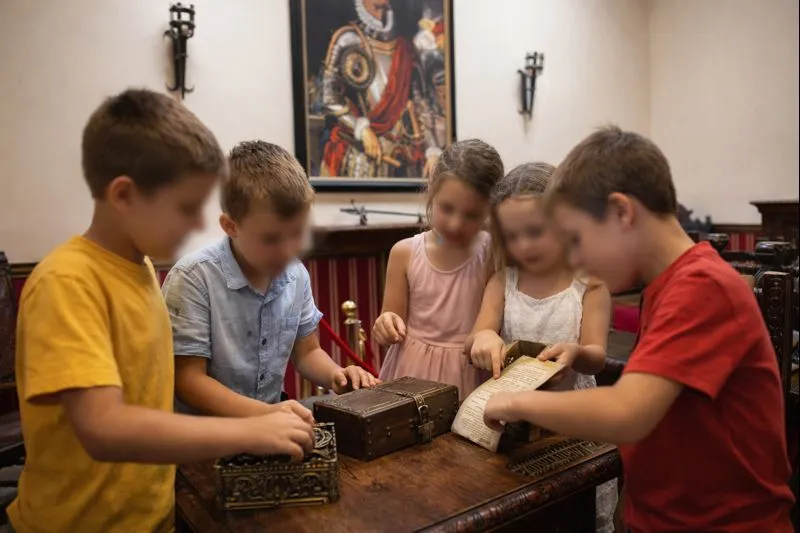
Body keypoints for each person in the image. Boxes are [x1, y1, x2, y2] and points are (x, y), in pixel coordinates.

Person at [7, 89, 314, 533]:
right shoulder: (68, 281)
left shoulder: (142, 271)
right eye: (186, 208)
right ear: (125, 195)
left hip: (154, 516)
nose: (196, 226)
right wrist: (254, 429)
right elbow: (104, 428)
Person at [483, 126, 795, 532]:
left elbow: (628, 412)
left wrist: (513, 402)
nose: (576, 257)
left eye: (576, 238)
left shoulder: (704, 286)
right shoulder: (666, 284)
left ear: (621, 213)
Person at [161, 140, 377, 418]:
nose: (288, 250)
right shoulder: (193, 278)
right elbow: (189, 382)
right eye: (271, 238)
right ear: (231, 226)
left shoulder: (296, 274)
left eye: (297, 234)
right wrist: (265, 415)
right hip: (205, 440)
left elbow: (308, 353)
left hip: (269, 429)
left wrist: (337, 375)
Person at [468, 162, 616, 533]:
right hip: (517, 427)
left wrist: (576, 353)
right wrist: (485, 338)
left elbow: (597, 356)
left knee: (575, 514)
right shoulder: (504, 280)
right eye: (512, 236)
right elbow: (479, 334)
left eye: (535, 232)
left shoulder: (590, 284)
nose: (524, 245)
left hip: (574, 421)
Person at [373, 139, 504, 399]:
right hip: (410, 373)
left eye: (472, 215)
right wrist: (385, 325)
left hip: (468, 373)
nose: (456, 225)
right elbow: (390, 323)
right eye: (447, 208)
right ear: (431, 189)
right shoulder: (404, 253)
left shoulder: (493, 256)